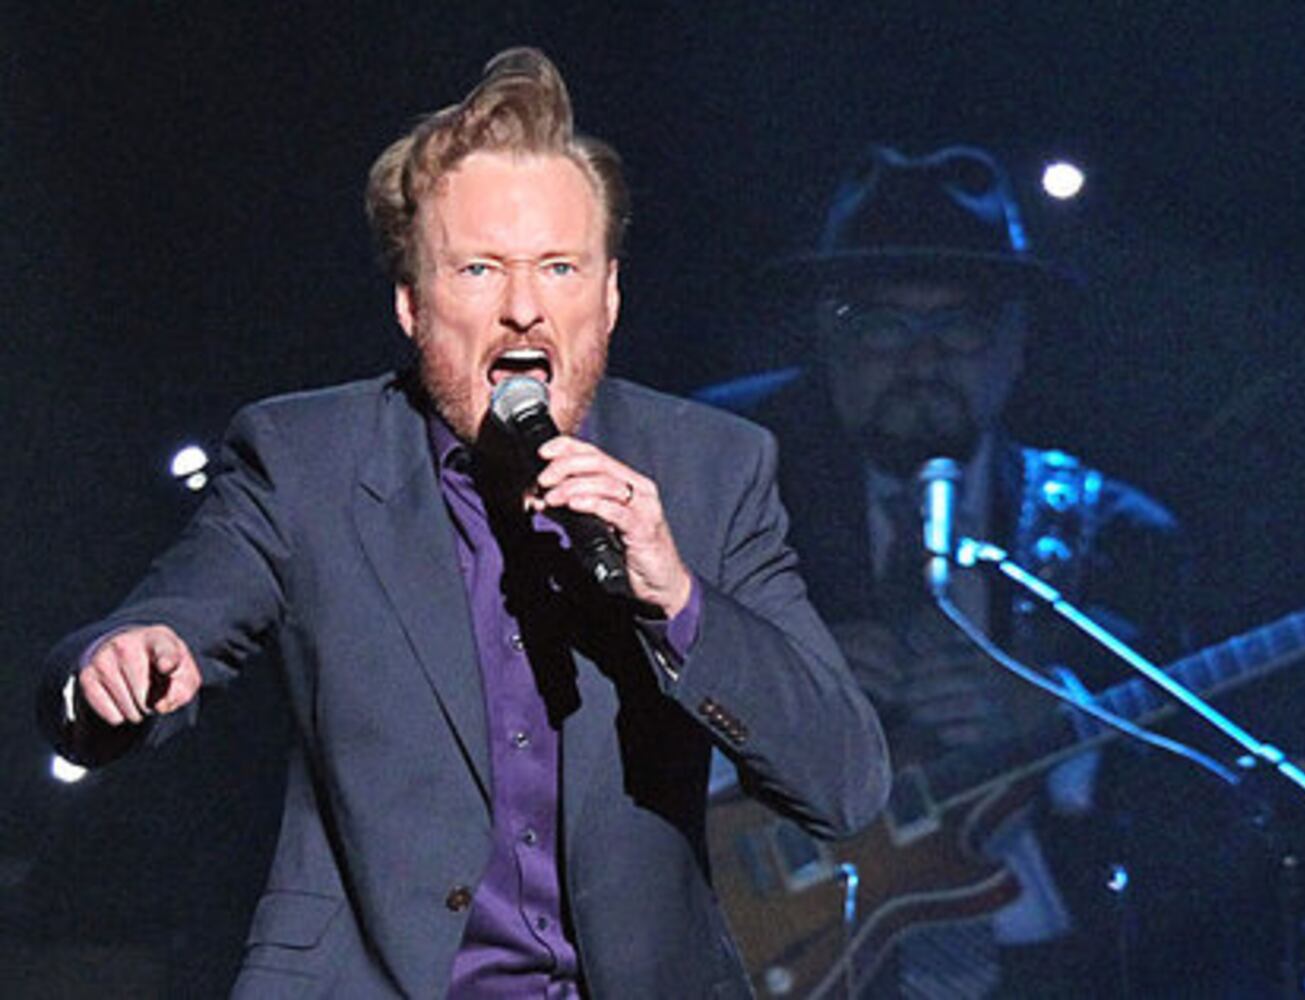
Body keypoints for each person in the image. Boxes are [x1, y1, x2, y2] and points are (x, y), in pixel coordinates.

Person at [38, 48, 889, 998]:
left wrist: (678, 599)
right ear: (412, 304)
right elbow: (158, 627)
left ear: (608, 295)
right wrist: (120, 666)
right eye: (480, 269)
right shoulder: (308, 461)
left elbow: (846, 784)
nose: (524, 310)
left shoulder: (711, 469)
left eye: (559, 268)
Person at [705, 145, 1189, 996]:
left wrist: (1061, 729)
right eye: (883, 325)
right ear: (828, 333)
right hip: (779, 955)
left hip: (1044, 969)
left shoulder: (1118, 537)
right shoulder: (711, 488)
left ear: (1016, 343)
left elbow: (1188, 806)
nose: (922, 362)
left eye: (960, 325)